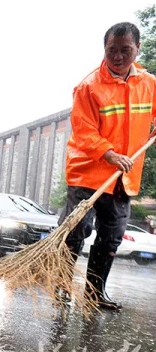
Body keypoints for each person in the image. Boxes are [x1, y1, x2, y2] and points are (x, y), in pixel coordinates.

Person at [60, 22, 156, 310]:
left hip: (123, 177)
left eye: (125, 50)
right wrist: (110, 153)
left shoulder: (149, 84)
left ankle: (94, 293)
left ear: (137, 49)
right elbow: (84, 130)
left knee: (111, 238)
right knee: (76, 233)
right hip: (87, 173)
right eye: (111, 50)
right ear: (104, 50)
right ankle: (62, 288)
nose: (117, 57)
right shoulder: (88, 87)